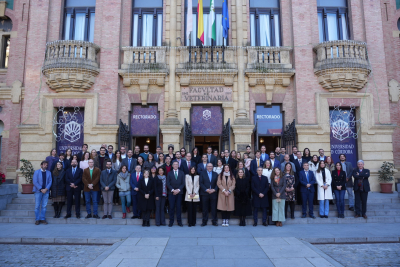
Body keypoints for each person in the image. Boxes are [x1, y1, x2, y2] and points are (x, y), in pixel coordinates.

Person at [33, 161, 52, 225]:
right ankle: (37, 219)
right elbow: (35, 182)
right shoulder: (36, 172)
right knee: (37, 206)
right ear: (41, 165)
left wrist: (46, 189)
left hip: (46, 192)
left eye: (46, 165)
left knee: (44, 206)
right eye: (44, 165)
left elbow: (50, 181)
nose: (45, 166)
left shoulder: (49, 172)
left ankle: (42, 219)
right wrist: (41, 189)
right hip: (38, 191)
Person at [167, 161, 185, 227]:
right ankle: (171, 221)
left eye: (176, 164)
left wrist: (178, 190)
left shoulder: (182, 173)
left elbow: (183, 183)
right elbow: (168, 183)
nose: (175, 165)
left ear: (178, 165)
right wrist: (173, 190)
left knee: (178, 208)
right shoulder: (169, 173)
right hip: (171, 193)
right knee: (171, 207)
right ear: (172, 165)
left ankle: (179, 221)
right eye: (174, 164)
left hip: (179, 193)